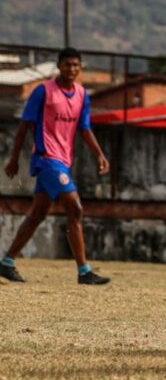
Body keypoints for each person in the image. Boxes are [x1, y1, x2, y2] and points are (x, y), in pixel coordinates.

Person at [1, 48, 111, 285]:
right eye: (67, 65)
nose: (71, 69)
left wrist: (99, 154)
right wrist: (13, 159)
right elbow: (24, 126)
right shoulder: (43, 92)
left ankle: (7, 262)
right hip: (46, 159)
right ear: (59, 66)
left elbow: (84, 128)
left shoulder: (82, 95)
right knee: (75, 208)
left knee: (38, 214)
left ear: (80, 68)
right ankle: (84, 271)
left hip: (63, 161)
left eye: (76, 65)